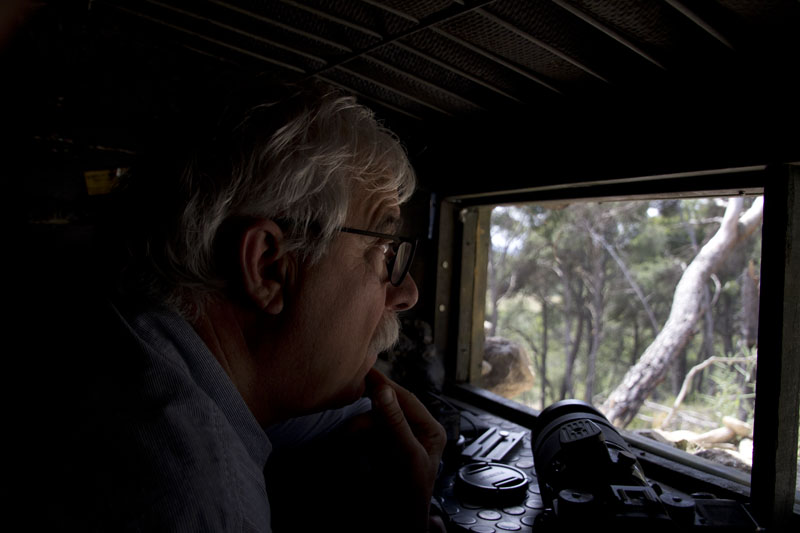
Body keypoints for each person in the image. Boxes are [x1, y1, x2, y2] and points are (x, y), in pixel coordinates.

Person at [36, 81, 447, 532]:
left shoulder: (125, 334)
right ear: (268, 267)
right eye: (385, 252)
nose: (407, 293)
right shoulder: (206, 504)